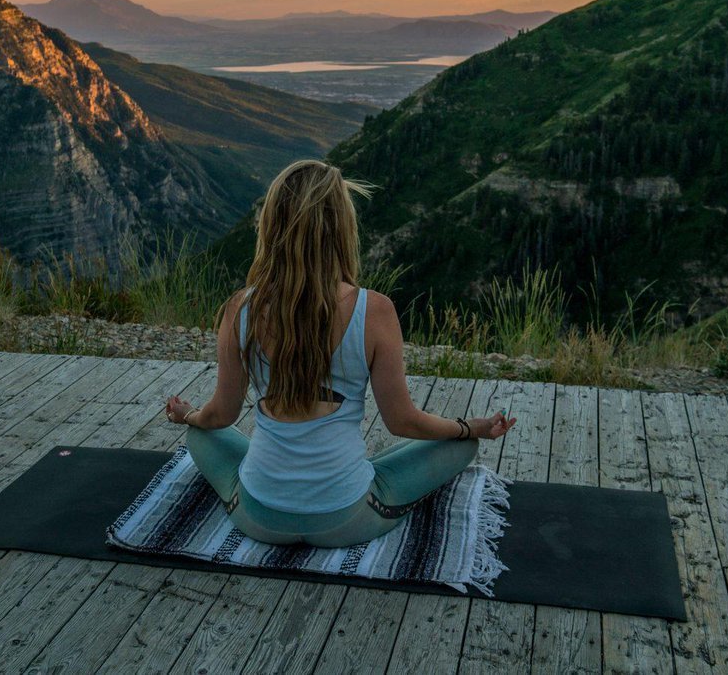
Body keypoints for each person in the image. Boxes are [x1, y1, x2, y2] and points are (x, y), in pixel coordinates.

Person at [164, 159, 514, 547]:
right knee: (460, 446)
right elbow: (403, 423)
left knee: (199, 435)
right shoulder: (374, 311)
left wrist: (188, 415)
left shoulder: (239, 308)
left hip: (258, 517)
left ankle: (283, 484)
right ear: (342, 228)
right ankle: (352, 477)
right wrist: (471, 427)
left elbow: (220, 415)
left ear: (272, 225)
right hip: (345, 519)